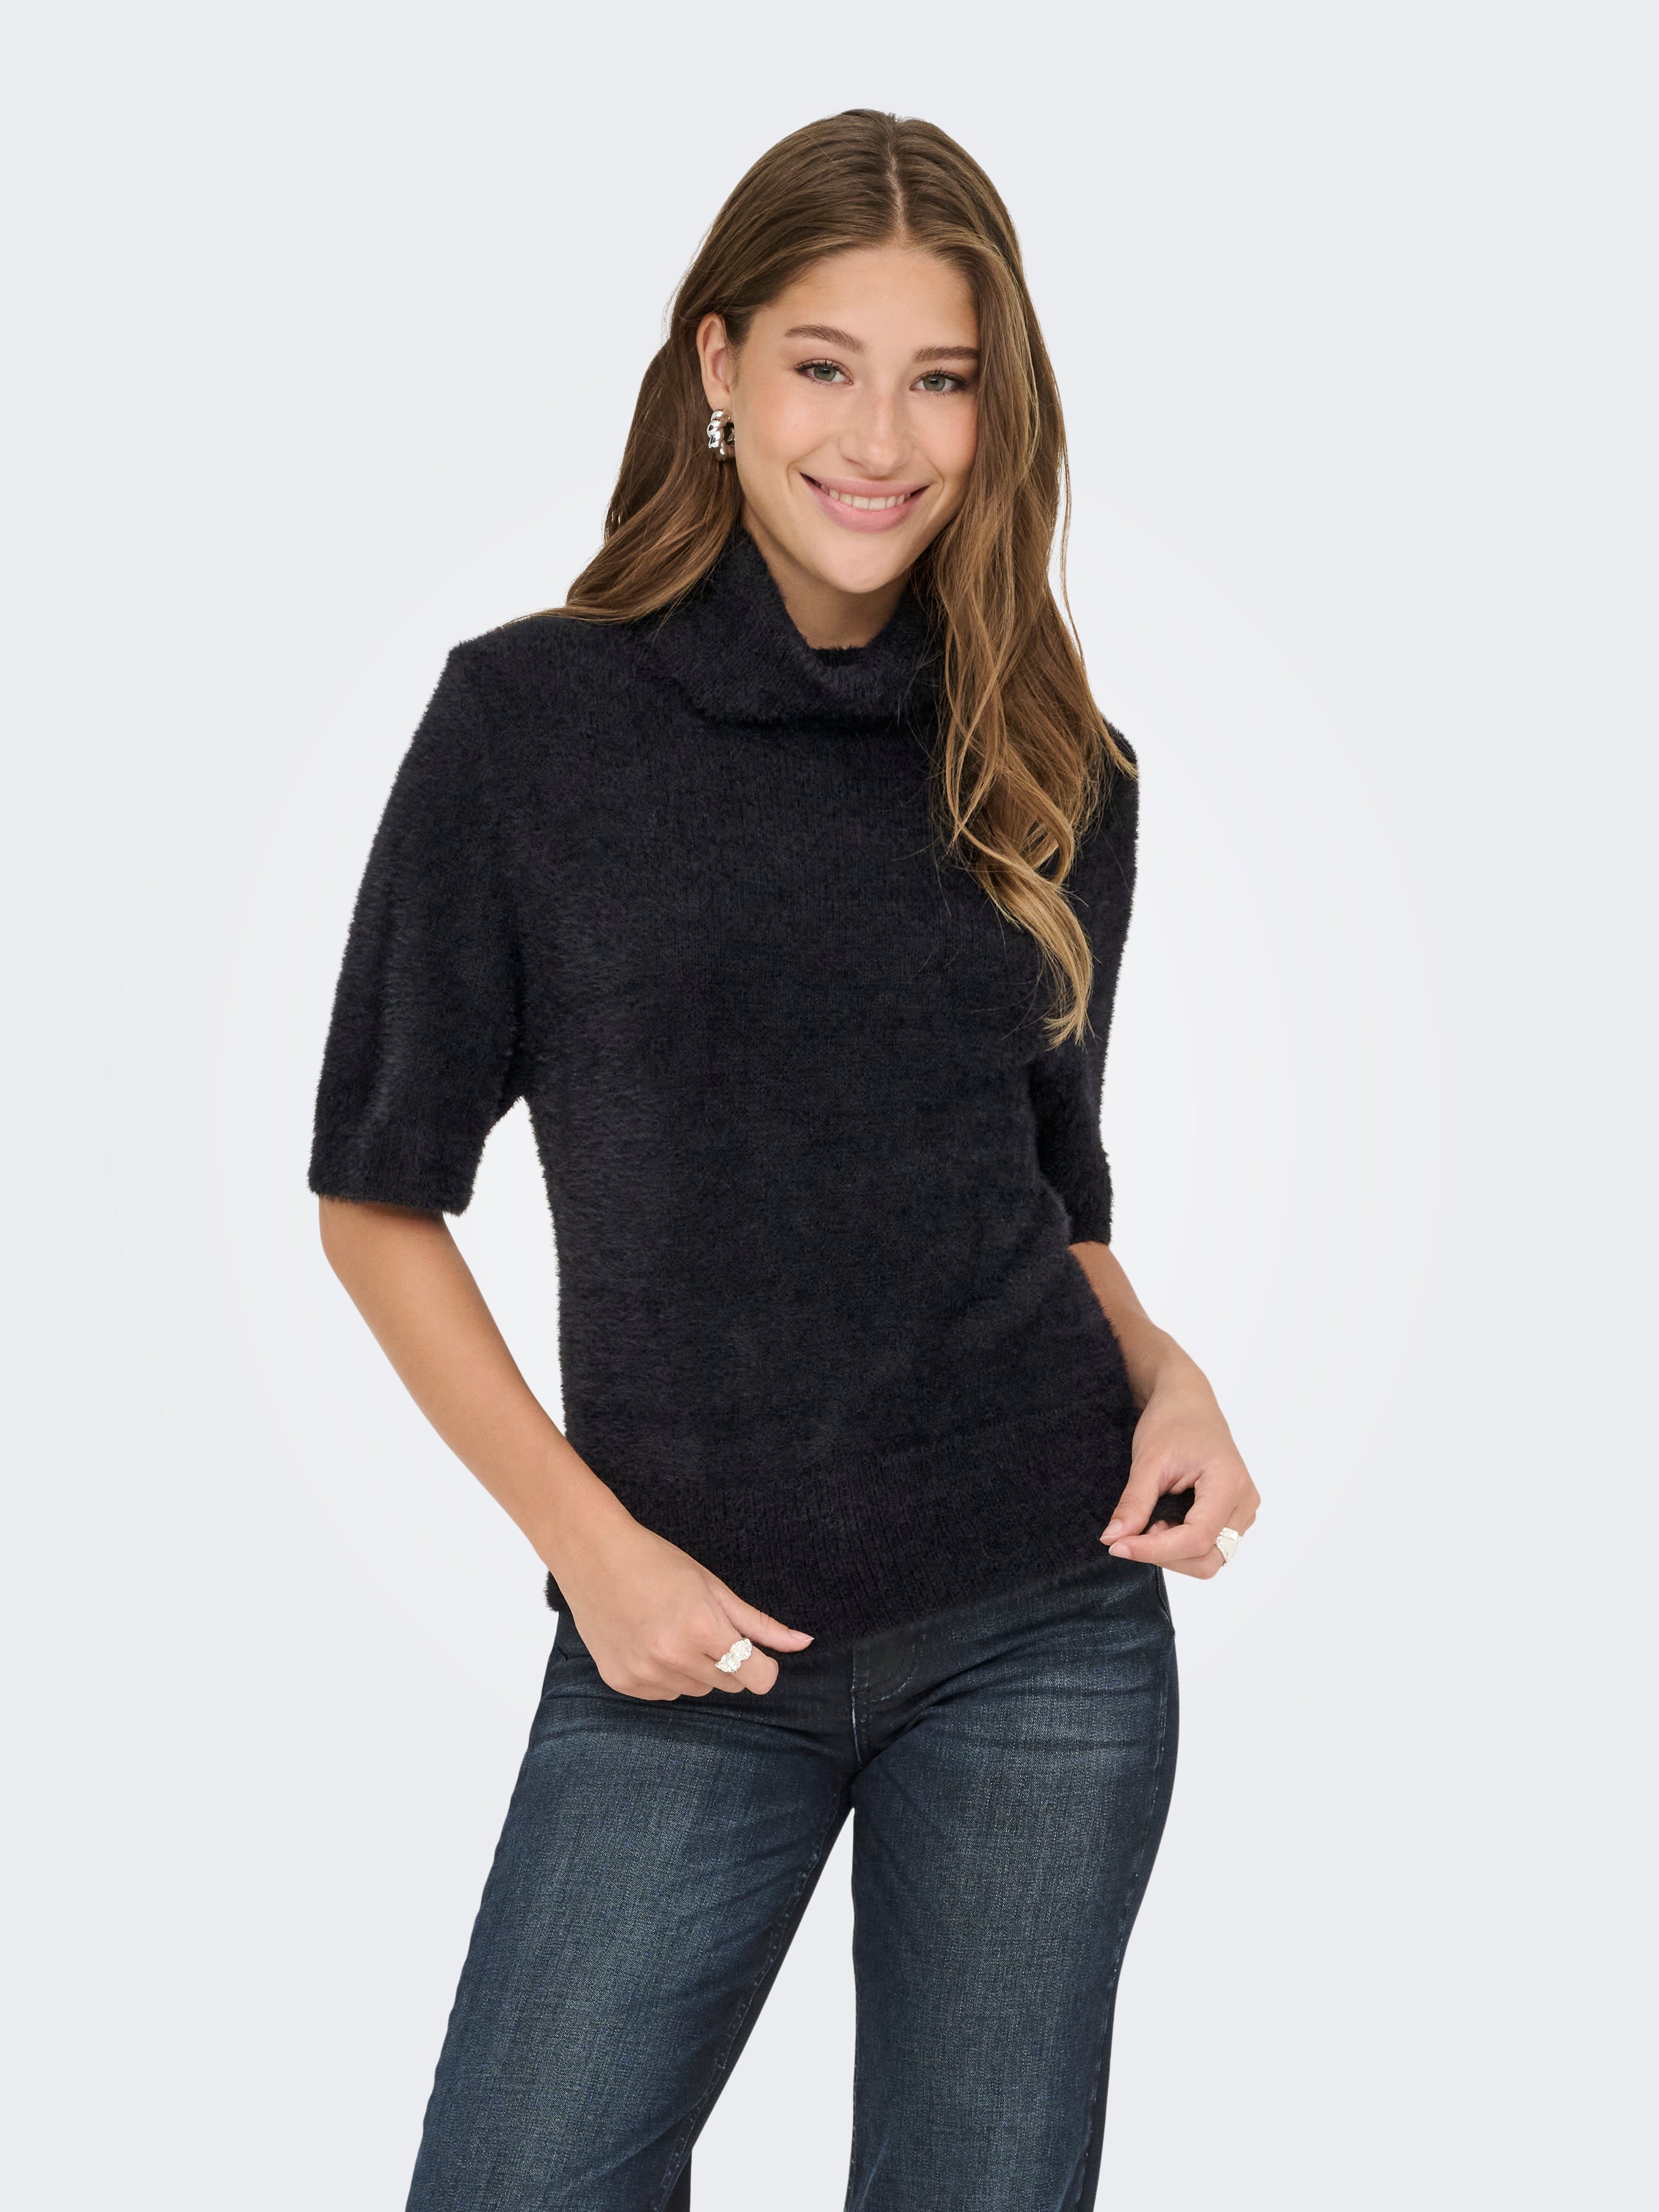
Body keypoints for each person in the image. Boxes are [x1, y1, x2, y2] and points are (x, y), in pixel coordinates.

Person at [310, 106, 1259, 2212]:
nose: (881, 439)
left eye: (942, 378)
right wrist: (593, 1552)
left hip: (1042, 1621)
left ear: (997, 416)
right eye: (827, 364)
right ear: (719, 366)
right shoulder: (529, 728)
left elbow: (1047, 1193)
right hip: (686, 1639)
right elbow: (375, 1193)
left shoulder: (1053, 764)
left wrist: (1167, 1370)